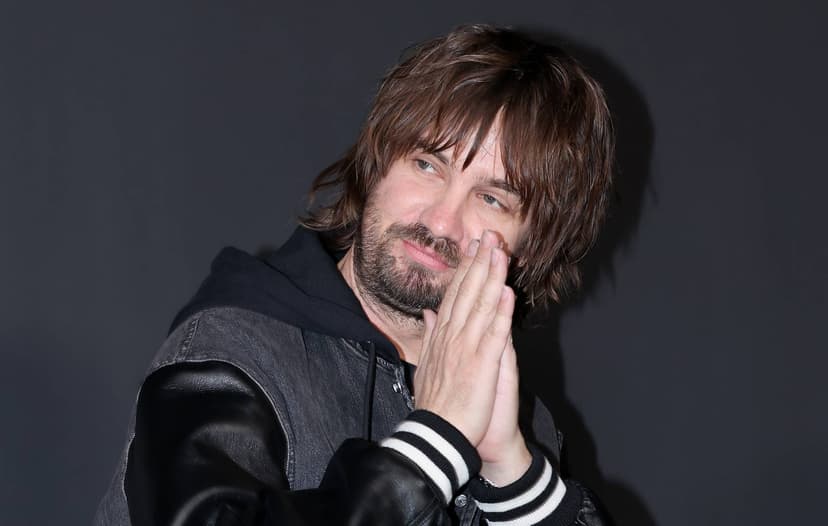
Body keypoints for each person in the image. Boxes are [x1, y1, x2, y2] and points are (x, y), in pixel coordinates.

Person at [96, 24, 614, 525]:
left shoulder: (520, 421)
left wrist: (513, 476)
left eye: (491, 198)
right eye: (427, 165)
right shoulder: (232, 354)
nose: (441, 221)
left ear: (534, 246)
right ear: (375, 163)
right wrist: (435, 444)